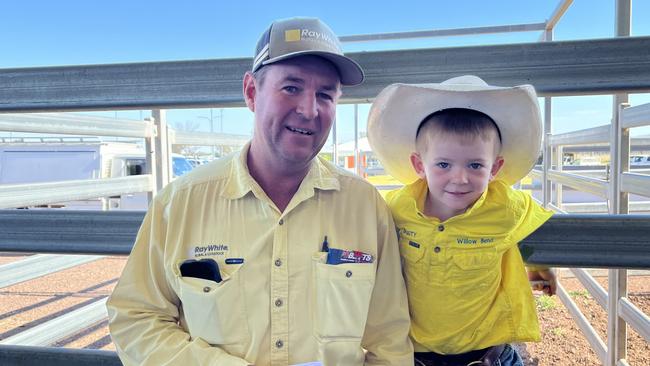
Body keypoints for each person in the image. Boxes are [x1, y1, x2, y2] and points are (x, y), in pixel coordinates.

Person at [107, 17, 413, 366]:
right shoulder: (181, 202)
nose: (309, 109)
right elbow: (135, 318)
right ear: (252, 93)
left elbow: (389, 340)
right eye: (291, 88)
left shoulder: (364, 206)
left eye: (325, 94)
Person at [366, 75, 557, 366]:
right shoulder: (396, 208)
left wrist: (538, 264)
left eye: (475, 165)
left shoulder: (506, 206)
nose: (460, 178)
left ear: (495, 168)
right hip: (415, 355)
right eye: (443, 164)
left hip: (486, 355)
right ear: (419, 165)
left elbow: (531, 229)